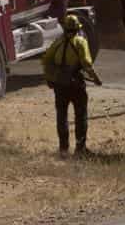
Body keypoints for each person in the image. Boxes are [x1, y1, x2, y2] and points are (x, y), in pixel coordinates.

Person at [43, 14, 102, 157]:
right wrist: (96, 79)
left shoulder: (57, 43)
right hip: (76, 85)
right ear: (77, 29)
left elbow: (46, 61)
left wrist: (50, 79)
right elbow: (87, 65)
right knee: (80, 115)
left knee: (61, 116)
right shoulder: (80, 42)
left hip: (60, 85)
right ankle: (80, 149)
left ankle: (63, 149)